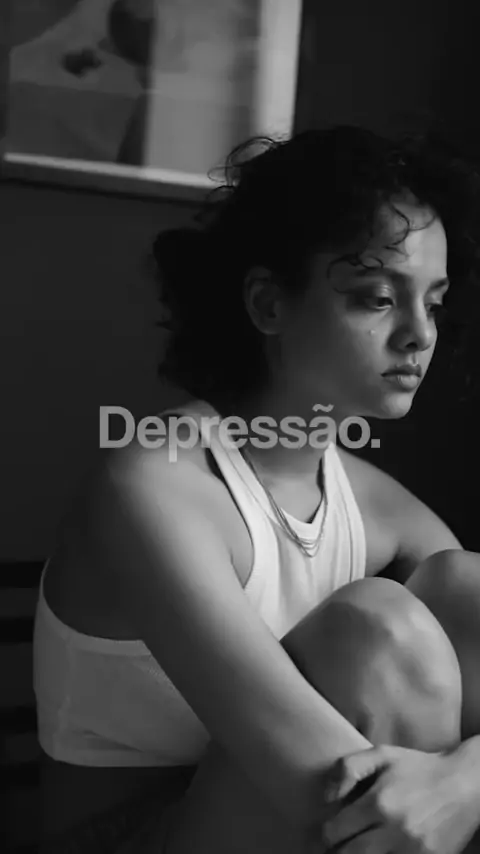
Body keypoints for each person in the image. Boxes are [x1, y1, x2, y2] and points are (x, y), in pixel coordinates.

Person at [34, 125, 480, 854]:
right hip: (129, 839)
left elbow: (432, 806)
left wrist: (466, 781)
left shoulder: (381, 508)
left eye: (433, 302)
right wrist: (458, 786)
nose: (419, 335)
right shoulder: (155, 489)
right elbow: (353, 798)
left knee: (464, 588)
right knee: (375, 634)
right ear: (269, 304)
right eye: (377, 298)